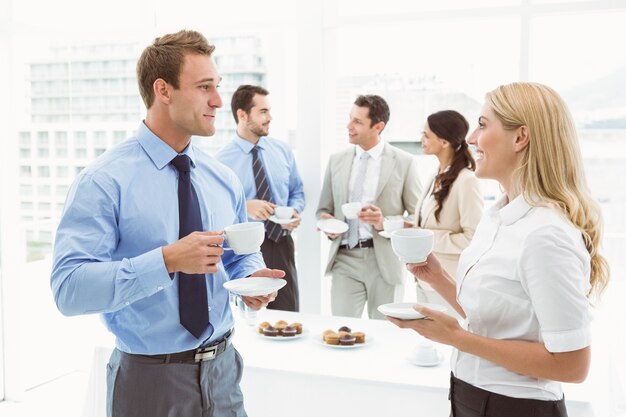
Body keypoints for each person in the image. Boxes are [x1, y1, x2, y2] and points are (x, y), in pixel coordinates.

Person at [50, 30, 284, 417]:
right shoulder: (104, 181)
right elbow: (69, 290)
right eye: (204, 87)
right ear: (164, 90)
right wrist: (167, 261)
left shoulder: (222, 177)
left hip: (224, 373)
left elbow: (239, 253)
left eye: (217, 86)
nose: (218, 101)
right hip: (148, 384)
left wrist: (253, 277)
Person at [388, 82, 610, 417]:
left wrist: (457, 338)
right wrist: (438, 279)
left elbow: (572, 364)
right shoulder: (498, 218)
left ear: (521, 138)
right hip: (468, 396)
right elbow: (496, 318)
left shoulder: (546, 234)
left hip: (516, 408)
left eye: (482, 124)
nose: (473, 139)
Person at [316, 94, 422, 319]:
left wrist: (385, 222)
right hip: (344, 258)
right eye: (349, 118)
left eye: (357, 122)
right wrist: (327, 222)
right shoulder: (336, 160)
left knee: (386, 333)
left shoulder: (404, 162)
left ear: (378, 126)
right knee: (343, 332)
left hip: (384, 260)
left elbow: (419, 218)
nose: (349, 126)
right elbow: (323, 209)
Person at [216, 84, 305, 312]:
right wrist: (245, 206)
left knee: (288, 313)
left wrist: (294, 211)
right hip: (243, 249)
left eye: (269, 111)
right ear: (242, 115)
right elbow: (216, 208)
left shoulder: (283, 151)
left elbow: (297, 191)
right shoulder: (221, 162)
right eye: (263, 112)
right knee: (250, 316)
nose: (270, 118)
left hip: (281, 242)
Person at [414, 110, 483, 308]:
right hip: (424, 282)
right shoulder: (436, 174)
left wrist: (424, 238)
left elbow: (473, 239)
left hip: (449, 283)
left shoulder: (467, 181)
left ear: (444, 142)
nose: (422, 139)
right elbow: (429, 223)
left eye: (426, 135)